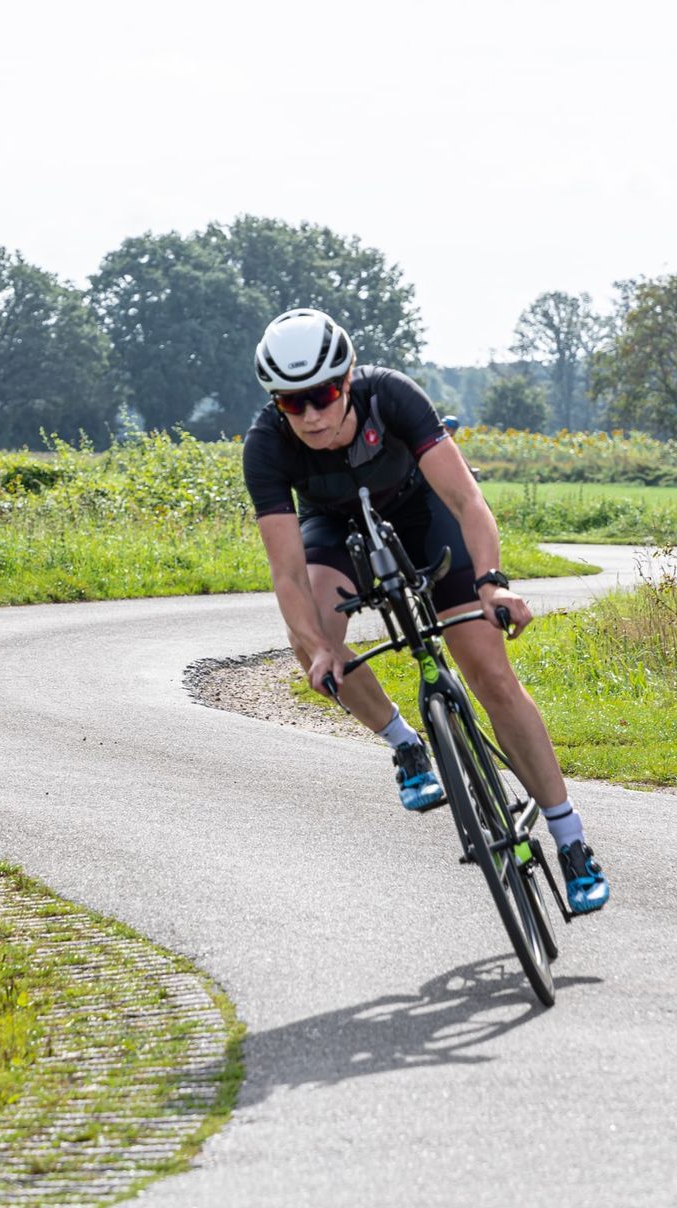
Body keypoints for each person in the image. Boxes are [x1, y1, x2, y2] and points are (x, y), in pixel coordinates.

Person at [241, 308, 609, 913]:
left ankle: (571, 840)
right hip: (334, 531)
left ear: (348, 378)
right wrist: (322, 645)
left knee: (489, 671)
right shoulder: (267, 445)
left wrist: (492, 583)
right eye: (291, 403)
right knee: (308, 641)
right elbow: (286, 573)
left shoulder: (392, 398)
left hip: (421, 514)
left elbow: (466, 500)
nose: (310, 414)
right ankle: (405, 743)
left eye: (323, 394)